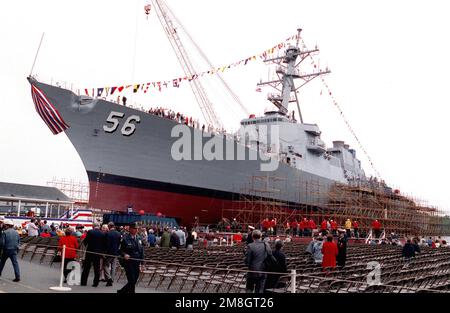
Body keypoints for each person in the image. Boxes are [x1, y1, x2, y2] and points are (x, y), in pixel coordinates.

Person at [117, 222, 144, 293]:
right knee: (131, 280)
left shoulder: (139, 238)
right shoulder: (125, 238)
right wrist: (124, 254)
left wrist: (142, 263)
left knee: (134, 280)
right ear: (130, 229)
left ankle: (122, 291)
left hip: (137, 262)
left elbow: (141, 252)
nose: (136, 230)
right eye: (135, 228)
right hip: (129, 263)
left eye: (137, 228)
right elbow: (119, 250)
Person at [81, 223, 106, 287]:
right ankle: (95, 283)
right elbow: (104, 244)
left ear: (93, 226)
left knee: (86, 267)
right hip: (98, 253)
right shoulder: (102, 233)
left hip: (90, 252)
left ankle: (83, 282)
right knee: (96, 268)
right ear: (99, 227)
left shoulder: (90, 232)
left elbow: (85, 241)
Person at [104, 222, 121, 287]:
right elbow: (119, 243)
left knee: (105, 265)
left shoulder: (107, 234)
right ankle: (112, 279)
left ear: (109, 226)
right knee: (113, 267)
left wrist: (105, 252)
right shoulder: (118, 234)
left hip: (109, 252)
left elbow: (106, 244)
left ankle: (109, 278)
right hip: (115, 252)